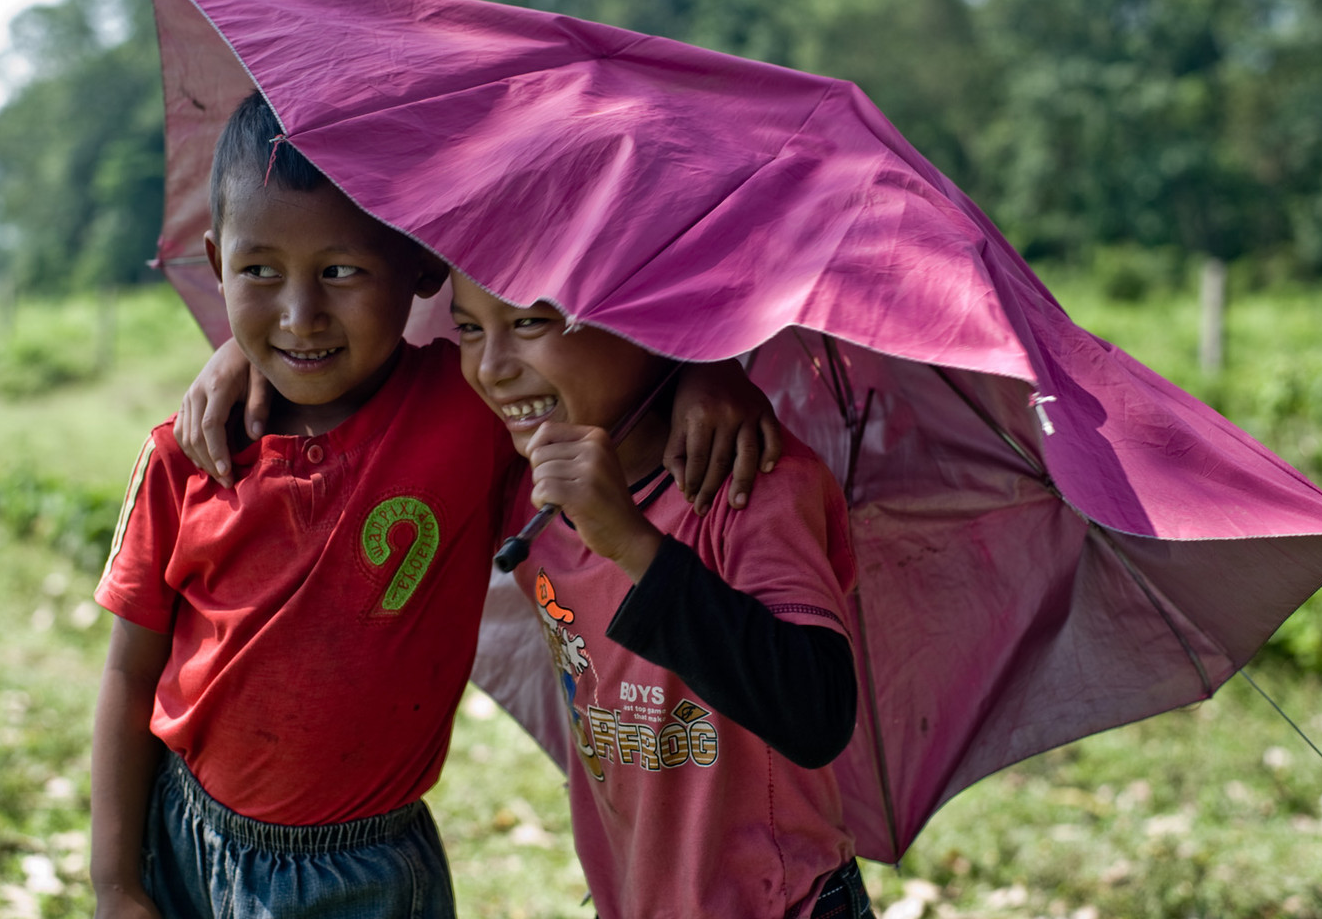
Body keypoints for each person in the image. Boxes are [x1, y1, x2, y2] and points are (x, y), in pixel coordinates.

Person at [92, 90, 777, 919]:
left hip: (364, 873)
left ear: (421, 267)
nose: (300, 316)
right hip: (184, 831)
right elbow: (131, 669)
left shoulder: (468, 407)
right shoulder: (186, 451)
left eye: (340, 271)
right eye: (259, 272)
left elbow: (601, 378)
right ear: (216, 258)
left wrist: (708, 368)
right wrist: (114, 882)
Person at [450, 270, 870, 919]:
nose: (492, 368)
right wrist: (238, 370)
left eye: (531, 322)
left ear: (644, 321)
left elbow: (815, 717)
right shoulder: (523, 486)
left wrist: (631, 543)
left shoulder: (750, 484)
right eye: (469, 329)